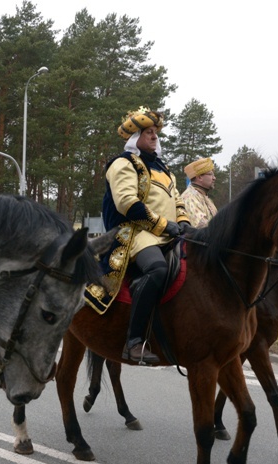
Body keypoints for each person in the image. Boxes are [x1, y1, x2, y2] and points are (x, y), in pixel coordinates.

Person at [85, 107, 190, 365]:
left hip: (168, 234)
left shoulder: (165, 170)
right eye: (148, 133)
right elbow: (127, 204)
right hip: (135, 233)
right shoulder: (123, 164)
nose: (155, 137)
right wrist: (164, 225)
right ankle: (133, 342)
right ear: (134, 138)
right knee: (156, 269)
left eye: (155, 133)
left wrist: (184, 223)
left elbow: (177, 202)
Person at [181, 157, 217, 228]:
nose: (214, 178)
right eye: (210, 174)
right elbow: (202, 228)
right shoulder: (190, 197)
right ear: (199, 177)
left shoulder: (204, 197)